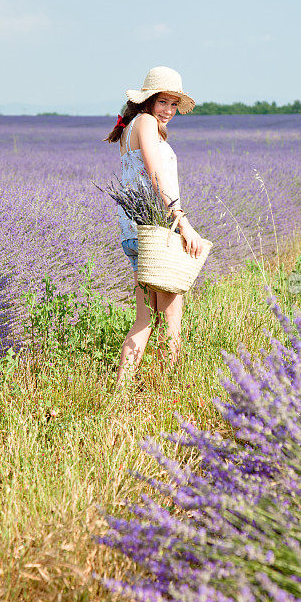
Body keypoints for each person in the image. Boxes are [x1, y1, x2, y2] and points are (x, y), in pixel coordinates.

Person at [104, 66, 204, 389]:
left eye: (174, 104)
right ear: (148, 99)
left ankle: (120, 395)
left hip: (136, 232)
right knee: (172, 317)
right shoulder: (146, 123)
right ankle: (168, 396)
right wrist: (182, 223)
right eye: (164, 101)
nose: (169, 111)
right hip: (156, 231)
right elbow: (155, 174)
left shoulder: (132, 126)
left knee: (146, 317)